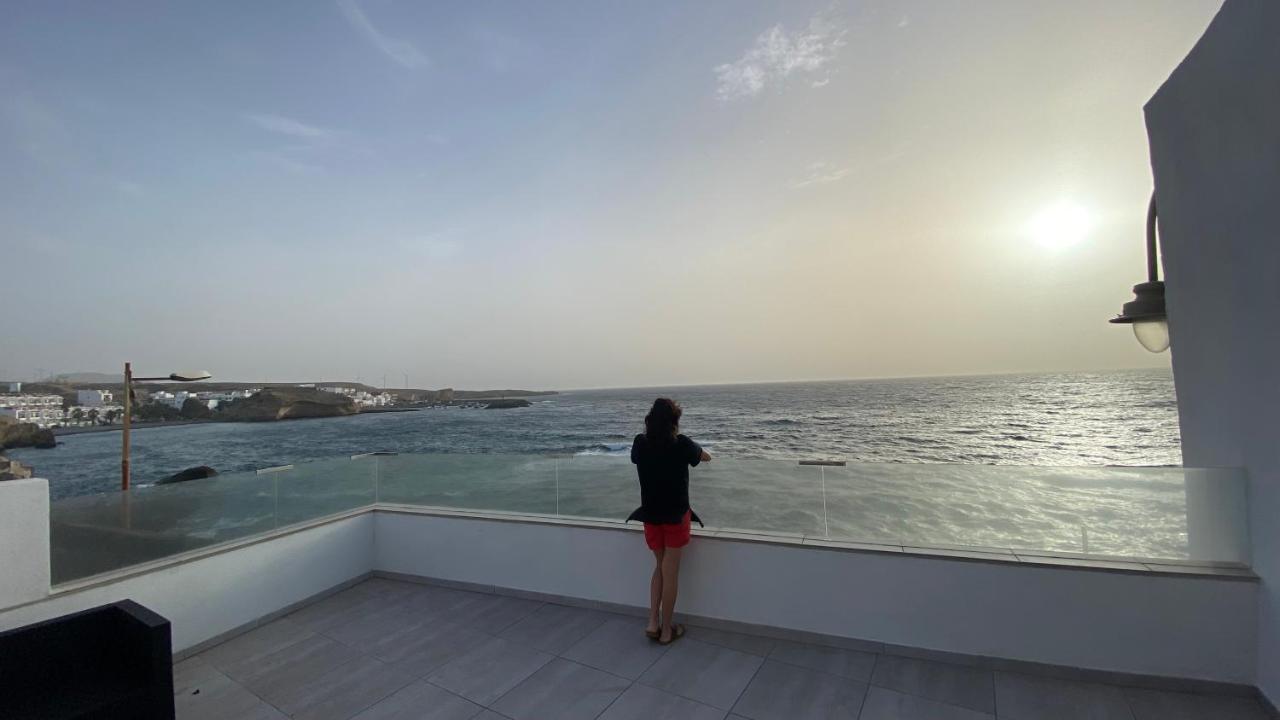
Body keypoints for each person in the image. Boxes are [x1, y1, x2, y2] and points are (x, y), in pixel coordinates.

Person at [627, 398, 711, 645]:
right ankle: (666, 631)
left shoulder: (640, 443)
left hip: (650, 516)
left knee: (660, 567)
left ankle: (653, 622)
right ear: (674, 421)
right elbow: (705, 457)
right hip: (675, 517)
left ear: (650, 419)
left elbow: (635, 459)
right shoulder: (681, 444)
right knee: (670, 572)